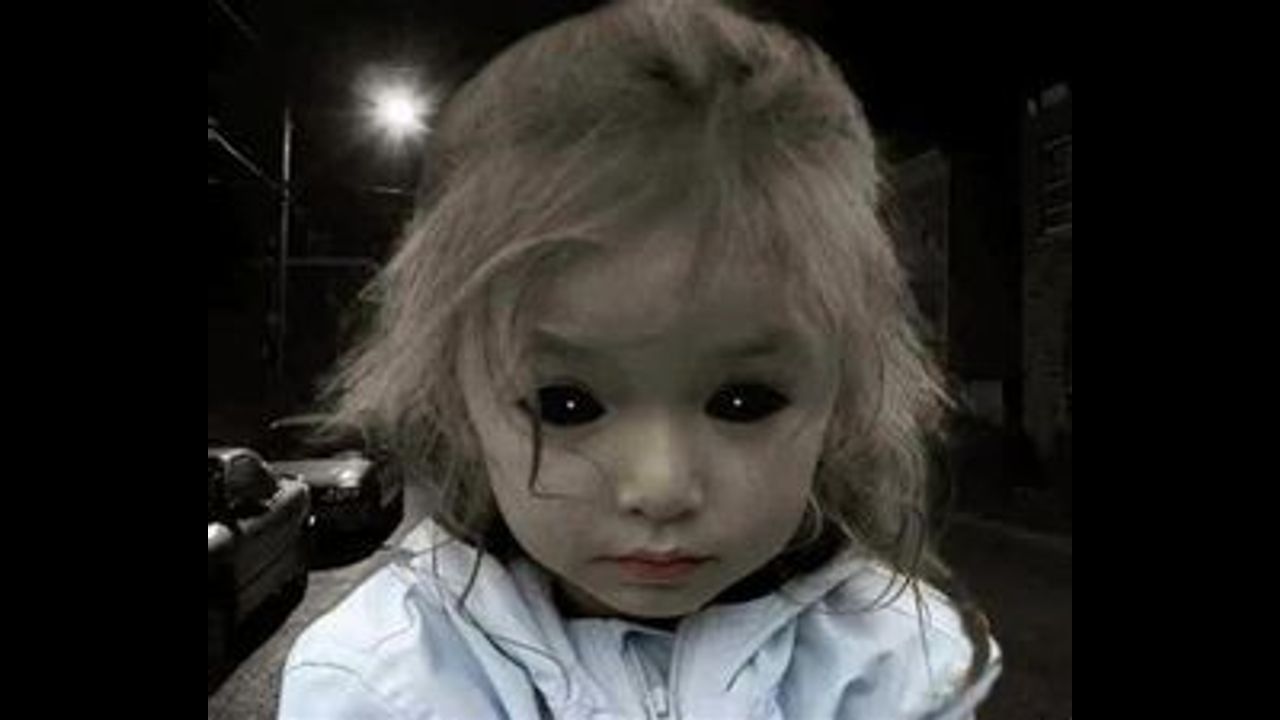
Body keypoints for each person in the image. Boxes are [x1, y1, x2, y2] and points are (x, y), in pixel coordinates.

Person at [280, 1, 1001, 716]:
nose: (661, 487)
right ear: (455, 402)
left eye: (743, 401)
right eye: (566, 404)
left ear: (841, 398)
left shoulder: (899, 669)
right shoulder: (383, 686)